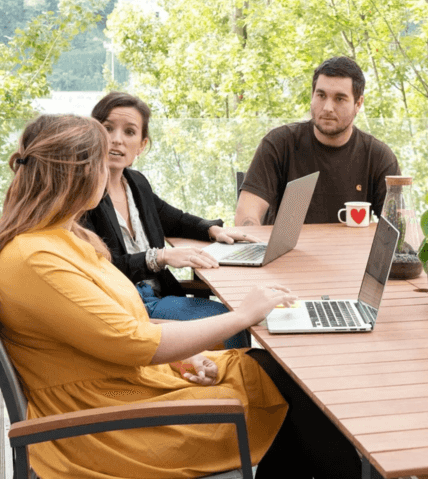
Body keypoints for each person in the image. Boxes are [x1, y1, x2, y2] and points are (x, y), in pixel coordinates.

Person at [0, 115, 363, 478]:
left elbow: (118, 326)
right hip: (108, 427)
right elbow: (132, 341)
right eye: (101, 161)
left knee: (279, 374)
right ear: (82, 173)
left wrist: (186, 355)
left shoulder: (63, 239)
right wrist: (242, 316)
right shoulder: (37, 258)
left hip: (127, 389)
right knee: (298, 407)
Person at [83, 92, 250, 349]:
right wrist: (160, 257)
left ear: (142, 145)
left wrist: (213, 230)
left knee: (234, 317)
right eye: (107, 129)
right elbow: (101, 266)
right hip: (125, 304)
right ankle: (238, 371)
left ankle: (238, 370)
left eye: (129, 132)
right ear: (92, 134)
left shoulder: (136, 183)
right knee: (229, 320)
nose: (117, 139)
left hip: (158, 295)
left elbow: (175, 219)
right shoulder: (82, 194)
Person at [235, 56, 400, 226]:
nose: (327, 108)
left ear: (358, 103)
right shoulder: (279, 144)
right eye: (321, 95)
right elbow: (246, 214)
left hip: (354, 245)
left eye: (339, 98)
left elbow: (396, 227)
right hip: (288, 245)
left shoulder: (378, 156)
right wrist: (250, 236)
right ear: (312, 96)